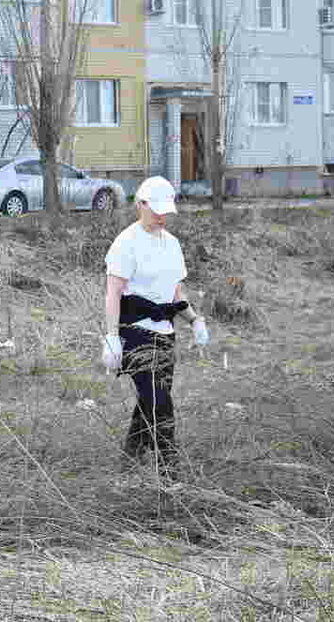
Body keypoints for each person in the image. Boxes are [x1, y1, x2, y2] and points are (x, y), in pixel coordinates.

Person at [101, 176, 210, 480]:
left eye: (166, 210)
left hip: (165, 335)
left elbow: (176, 294)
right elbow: (113, 293)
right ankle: (170, 476)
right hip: (134, 332)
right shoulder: (126, 243)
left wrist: (194, 320)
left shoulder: (172, 245)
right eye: (156, 209)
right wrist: (111, 337)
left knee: (150, 401)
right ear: (141, 205)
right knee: (161, 406)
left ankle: (129, 462)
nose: (162, 216)